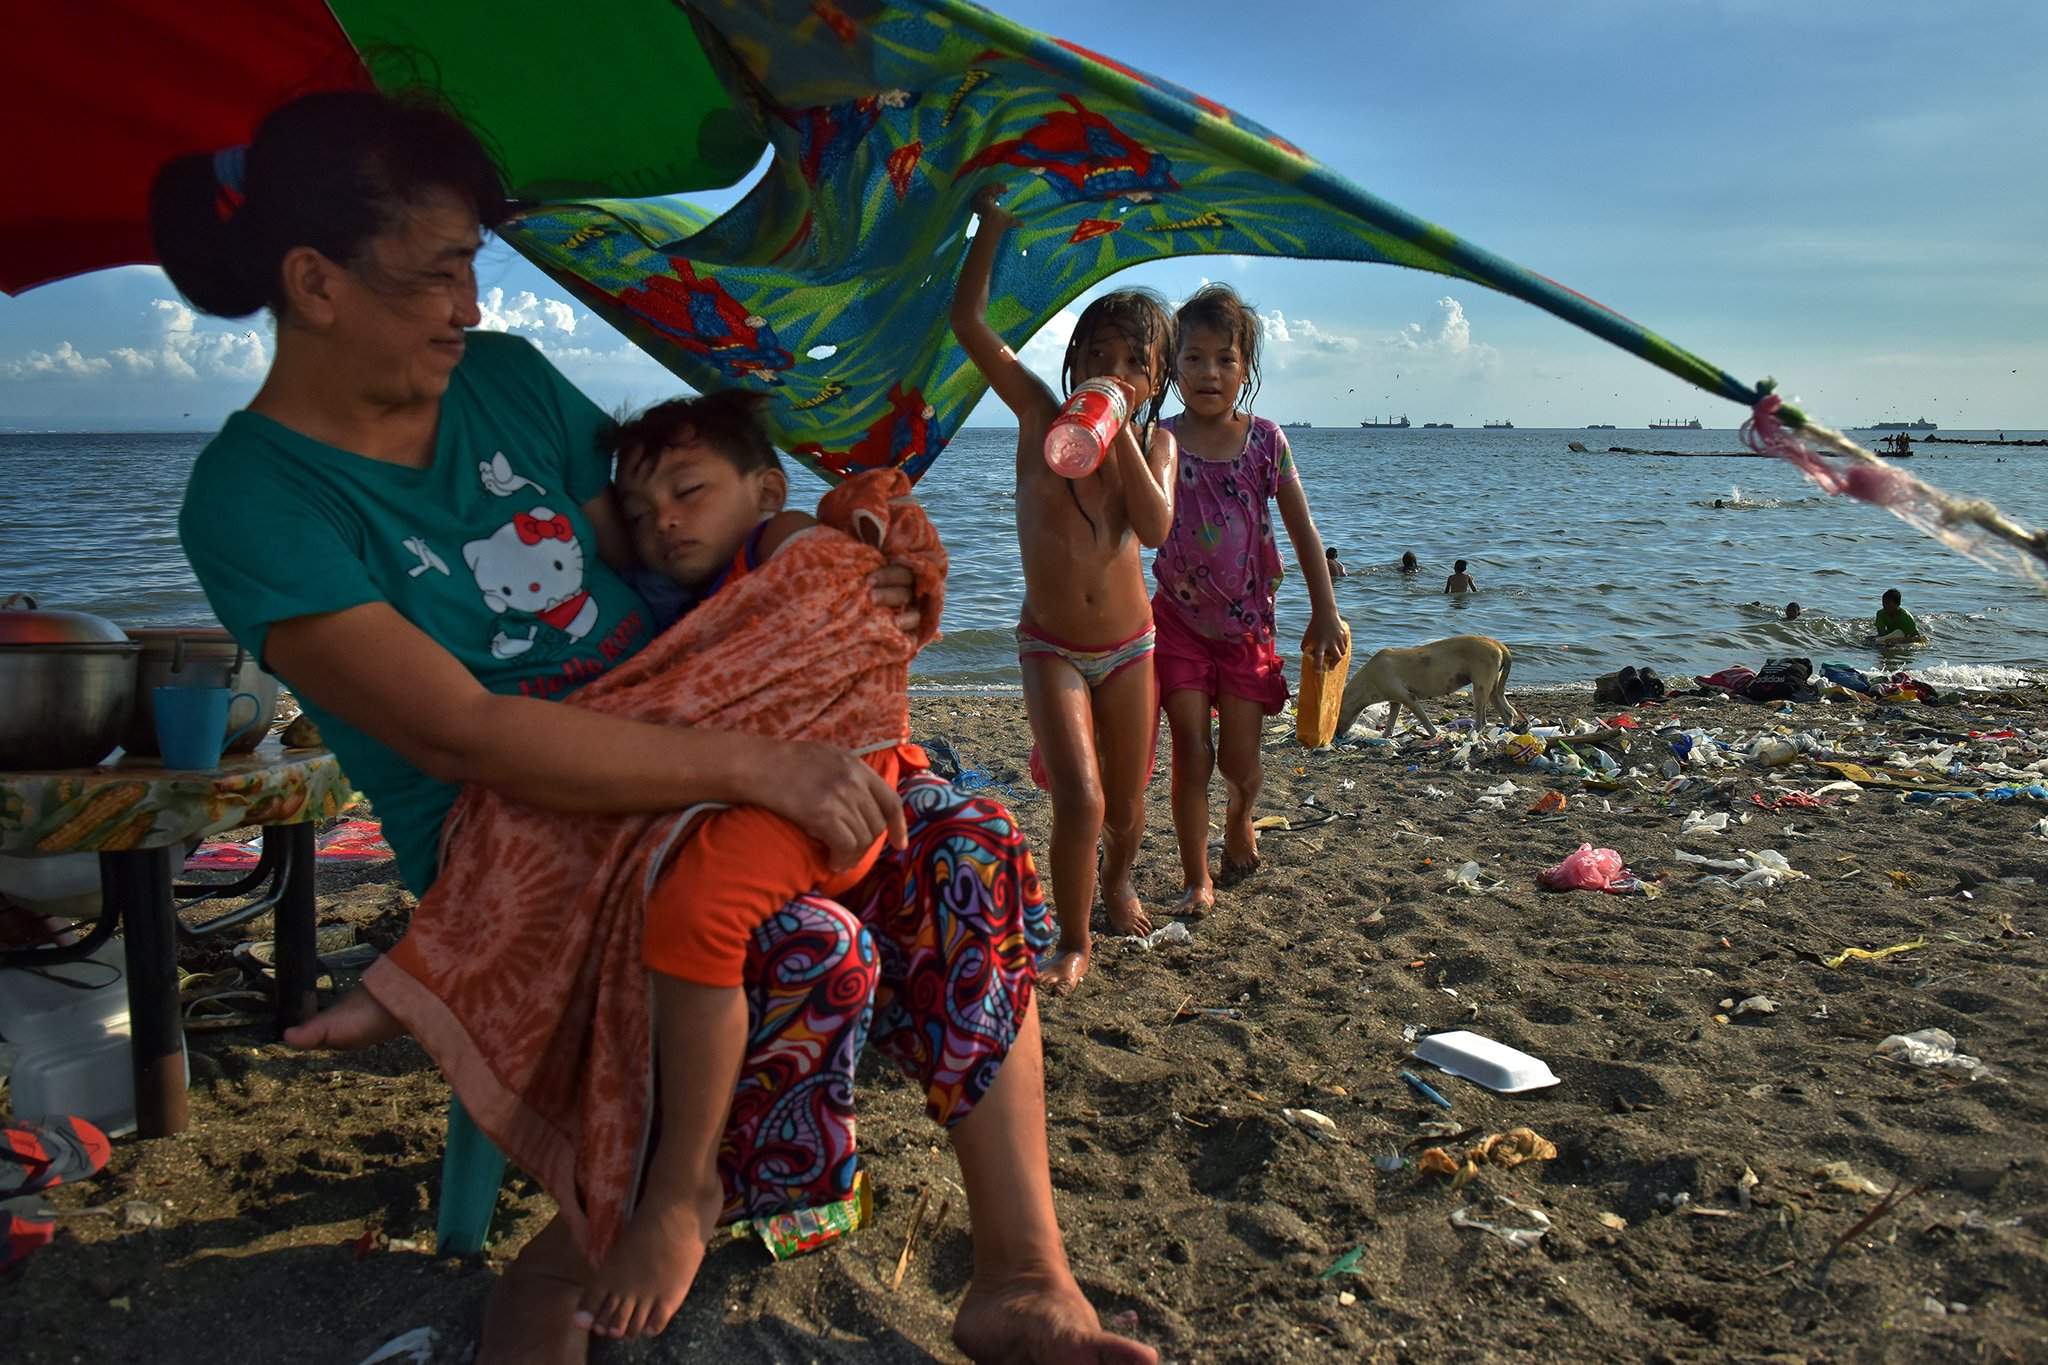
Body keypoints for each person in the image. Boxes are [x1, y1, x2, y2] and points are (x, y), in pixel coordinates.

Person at [155, 90, 1153, 1365]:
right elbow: (464, 731)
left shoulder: (502, 385)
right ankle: (596, 1241)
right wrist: (763, 765)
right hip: (528, 823)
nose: (473, 307)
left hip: (719, 731)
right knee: (796, 942)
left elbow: (674, 531)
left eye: (475, 269)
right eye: (442, 274)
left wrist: (818, 552)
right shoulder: (251, 498)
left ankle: (1021, 1276)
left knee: (964, 838)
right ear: (317, 282)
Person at [950, 186, 1177, 994]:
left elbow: (1152, 530)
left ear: (1155, 382)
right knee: (1078, 796)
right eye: (1100, 358)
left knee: (1125, 803)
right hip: (1050, 644)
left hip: (1131, 647)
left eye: (1133, 366)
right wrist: (994, 231)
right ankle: (1072, 940)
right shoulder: (1037, 412)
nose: (1113, 375)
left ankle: (1118, 881)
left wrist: (1117, 437)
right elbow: (970, 326)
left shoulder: (1157, 446)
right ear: (1073, 359)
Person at [1153, 284, 1345, 911]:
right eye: (1193, 359)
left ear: (1246, 367)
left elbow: (1302, 526)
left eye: (1225, 359)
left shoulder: (1265, 441)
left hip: (1246, 629)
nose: (1209, 373)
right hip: (1176, 623)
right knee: (1191, 750)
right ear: (1172, 366)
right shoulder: (1159, 441)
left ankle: (1240, 814)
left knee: (1239, 759)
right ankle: (1195, 876)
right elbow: (1126, 525)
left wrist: (1325, 610)